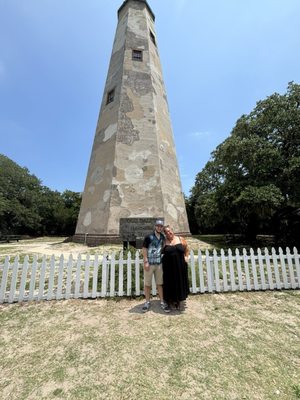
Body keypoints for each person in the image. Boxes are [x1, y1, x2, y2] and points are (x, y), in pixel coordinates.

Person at [141, 220, 170, 313]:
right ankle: (147, 302)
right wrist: (145, 261)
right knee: (147, 284)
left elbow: (163, 247)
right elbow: (144, 249)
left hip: (158, 263)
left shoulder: (162, 237)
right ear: (155, 226)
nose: (159, 227)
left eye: (161, 226)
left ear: (162, 227)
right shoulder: (148, 237)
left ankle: (162, 302)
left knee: (159, 283)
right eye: (158, 226)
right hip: (149, 263)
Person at [162, 225, 190, 310]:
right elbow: (160, 251)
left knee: (180, 281)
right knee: (170, 282)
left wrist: (186, 257)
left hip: (180, 265)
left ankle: (179, 300)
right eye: (166, 232)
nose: (169, 233)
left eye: (169, 231)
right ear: (165, 234)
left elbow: (187, 249)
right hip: (168, 266)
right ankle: (170, 300)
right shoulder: (164, 242)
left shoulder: (180, 239)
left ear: (172, 231)